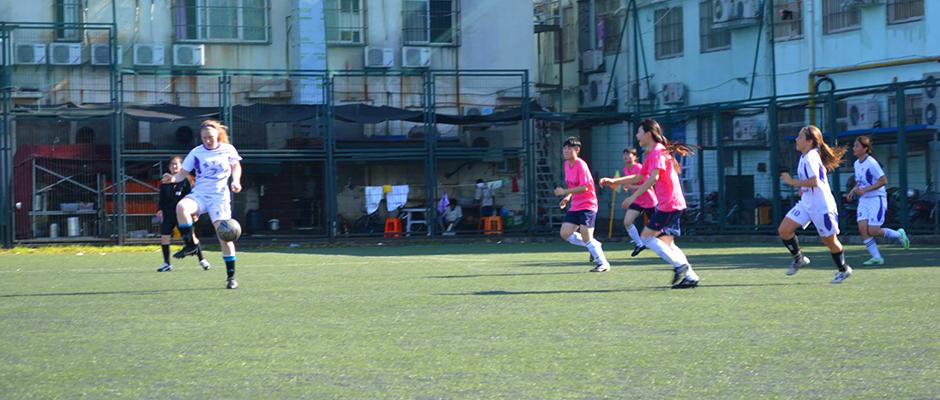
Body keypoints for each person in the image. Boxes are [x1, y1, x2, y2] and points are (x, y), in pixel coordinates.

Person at [600, 119, 699, 288]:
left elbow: (654, 178)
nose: (636, 135)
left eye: (639, 132)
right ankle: (691, 276)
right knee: (667, 242)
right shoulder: (652, 153)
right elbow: (639, 177)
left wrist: (633, 197)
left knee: (646, 237)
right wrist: (614, 181)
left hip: (669, 204)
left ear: (648, 134)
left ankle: (679, 266)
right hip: (672, 203)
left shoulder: (658, 152)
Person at [162, 120, 243, 289]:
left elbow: (236, 166)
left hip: (219, 198)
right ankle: (191, 245)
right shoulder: (196, 152)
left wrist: (236, 181)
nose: (207, 140)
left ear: (218, 135)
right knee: (182, 207)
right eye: (204, 137)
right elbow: (183, 174)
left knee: (225, 237)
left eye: (210, 137)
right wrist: (173, 179)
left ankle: (231, 277)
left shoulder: (228, 149)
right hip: (200, 194)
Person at [778, 125, 853, 284]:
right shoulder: (806, 156)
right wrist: (803, 189)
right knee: (784, 230)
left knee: (829, 241)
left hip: (822, 206)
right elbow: (811, 182)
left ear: (810, 141)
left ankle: (843, 269)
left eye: (800, 137)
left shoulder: (811, 156)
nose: (796, 140)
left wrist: (792, 182)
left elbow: (816, 181)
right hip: (807, 203)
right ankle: (799, 258)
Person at [845, 135, 910, 265]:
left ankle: (899, 234)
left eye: (857, 145)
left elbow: (883, 180)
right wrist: (853, 190)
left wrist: (866, 190)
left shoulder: (872, 162)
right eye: (854, 145)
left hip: (877, 199)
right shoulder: (856, 164)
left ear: (865, 148)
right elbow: (860, 182)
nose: (854, 148)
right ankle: (877, 257)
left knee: (873, 231)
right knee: (863, 229)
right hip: (864, 200)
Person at [555, 137, 610, 272]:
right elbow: (573, 185)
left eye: (569, 148)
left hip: (588, 205)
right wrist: (567, 197)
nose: (566, 150)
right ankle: (594, 245)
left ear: (577, 150)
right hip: (575, 205)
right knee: (565, 233)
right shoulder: (567, 165)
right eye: (564, 148)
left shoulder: (581, 164)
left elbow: (585, 187)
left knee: (586, 235)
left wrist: (565, 191)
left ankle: (603, 264)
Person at [156, 156, 210, 272]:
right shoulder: (165, 181)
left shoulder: (186, 180)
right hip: (168, 214)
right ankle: (167, 263)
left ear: (182, 166)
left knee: (192, 237)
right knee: (164, 237)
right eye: (172, 164)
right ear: (169, 167)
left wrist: (194, 213)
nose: (174, 166)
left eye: (177, 164)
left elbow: (193, 198)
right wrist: (159, 210)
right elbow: (162, 199)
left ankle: (202, 260)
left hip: (182, 215)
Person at [610, 147, 657, 257]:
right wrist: (628, 186)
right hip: (638, 200)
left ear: (635, 157)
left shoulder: (640, 167)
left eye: (629, 155)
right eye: (624, 155)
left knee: (657, 227)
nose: (626, 157)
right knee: (627, 222)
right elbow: (631, 183)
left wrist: (631, 186)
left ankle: (665, 244)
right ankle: (639, 244)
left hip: (649, 200)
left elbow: (647, 185)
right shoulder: (626, 169)